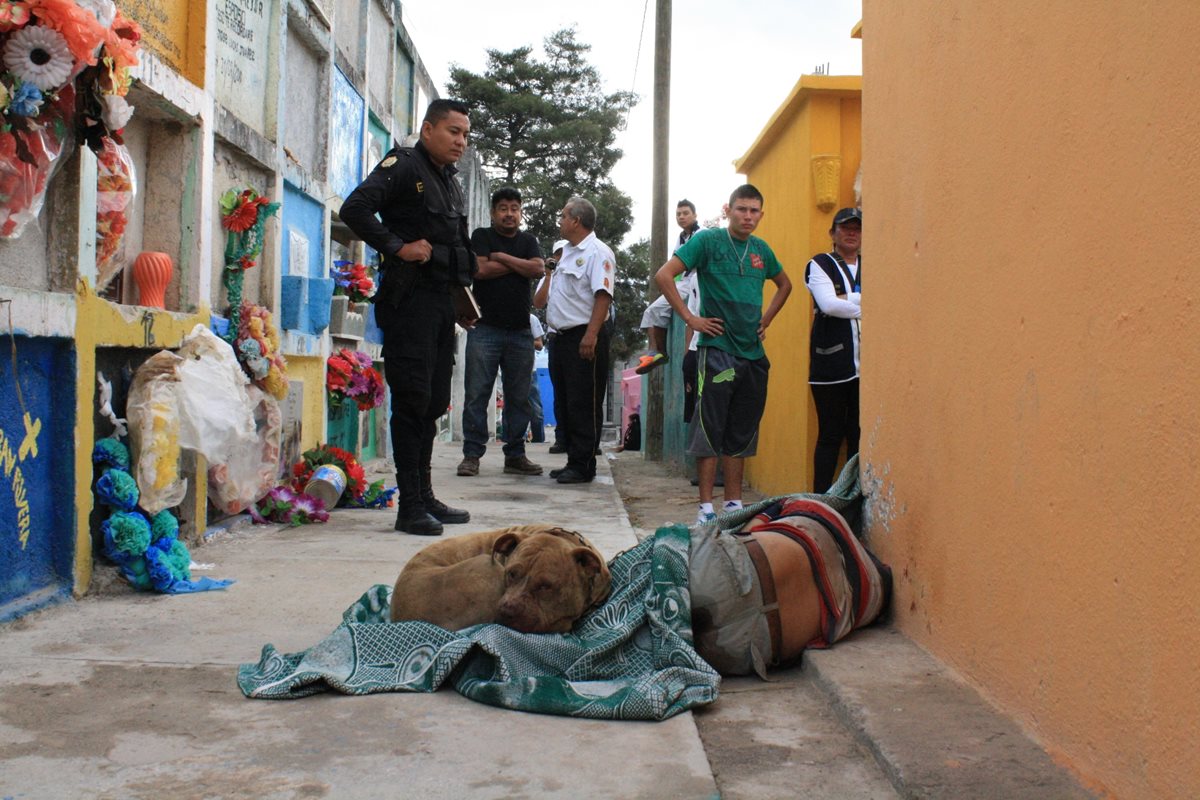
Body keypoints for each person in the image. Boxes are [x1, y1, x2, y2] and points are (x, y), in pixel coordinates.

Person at [339, 99, 475, 536]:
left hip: (440, 305)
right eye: (453, 131)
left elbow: (452, 248)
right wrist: (396, 247)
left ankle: (426, 495)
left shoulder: (449, 181)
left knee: (433, 403)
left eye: (466, 134)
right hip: (409, 302)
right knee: (413, 400)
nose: (460, 141)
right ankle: (409, 505)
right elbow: (355, 208)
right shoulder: (403, 165)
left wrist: (461, 301)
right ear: (428, 130)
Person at [654, 184, 792, 524]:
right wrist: (690, 318)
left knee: (740, 431)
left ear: (761, 214)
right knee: (709, 428)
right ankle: (705, 509)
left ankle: (733, 505)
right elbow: (664, 275)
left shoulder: (761, 250)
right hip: (717, 352)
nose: (748, 216)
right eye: (741, 209)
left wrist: (766, 320)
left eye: (754, 211)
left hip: (752, 355)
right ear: (728, 210)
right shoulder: (707, 241)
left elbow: (785, 284)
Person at [456, 188, 545, 478]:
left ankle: (515, 455)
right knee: (477, 394)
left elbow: (538, 269)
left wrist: (502, 257)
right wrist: (519, 265)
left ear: (521, 212)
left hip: (520, 332)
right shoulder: (481, 236)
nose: (509, 214)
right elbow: (480, 271)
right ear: (493, 213)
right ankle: (471, 455)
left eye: (515, 208)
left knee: (519, 397)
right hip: (485, 329)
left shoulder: (528, 240)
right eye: (503, 208)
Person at [533, 197, 614, 484]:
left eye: (563, 216)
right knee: (567, 402)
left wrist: (591, 335)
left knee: (584, 402)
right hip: (560, 337)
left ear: (576, 221)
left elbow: (603, 296)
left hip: (584, 335)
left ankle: (583, 465)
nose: (560, 221)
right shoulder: (564, 253)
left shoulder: (598, 252)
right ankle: (573, 460)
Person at [805, 206, 862, 493]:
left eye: (857, 228)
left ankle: (852, 499)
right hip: (831, 364)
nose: (852, 233)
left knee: (858, 435)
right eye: (845, 228)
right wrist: (865, 303)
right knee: (830, 435)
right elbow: (828, 304)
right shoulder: (819, 264)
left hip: (866, 367)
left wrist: (846, 298)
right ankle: (821, 500)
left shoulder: (872, 264)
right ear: (833, 233)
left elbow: (889, 300)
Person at [634, 199, 702, 374]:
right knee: (652, 310)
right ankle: (655, 352)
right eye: (678, 214)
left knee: (655, 309)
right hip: (683, 282)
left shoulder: (701, 234)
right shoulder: (682, 237)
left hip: (694, 281)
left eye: (685, 213)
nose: (681, 217)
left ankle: (658, 353)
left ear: (695, 215)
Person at [527, 312, 547, 443]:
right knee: (510, 408)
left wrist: (522, 340)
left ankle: (538, 440)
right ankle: (510, 440)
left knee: (535, 409)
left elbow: (539, 345)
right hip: (509, 369)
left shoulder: (531, 319)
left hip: (529, 370)